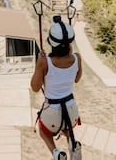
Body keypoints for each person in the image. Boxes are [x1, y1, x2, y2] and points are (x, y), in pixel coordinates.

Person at [31, 15, 83, 160]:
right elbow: (77, 79)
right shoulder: (77, 58)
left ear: (52, 43)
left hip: (52, 112)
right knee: (65, 128)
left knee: (43, 130)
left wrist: (39, 65)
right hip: (71, 109)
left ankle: (56, 153)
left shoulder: (44, 62)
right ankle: (73, 143)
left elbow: (35, 88)